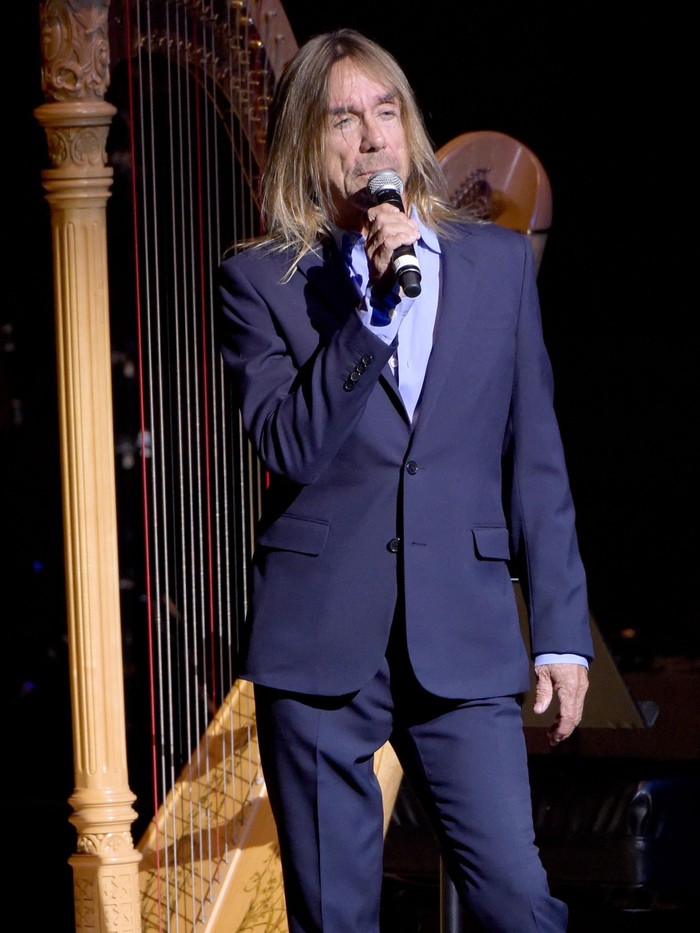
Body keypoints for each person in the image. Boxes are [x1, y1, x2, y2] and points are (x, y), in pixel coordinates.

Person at [217, 28, 594, 933]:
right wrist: (373, 315)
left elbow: (536, 456)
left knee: (516, 899)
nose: (373, 136)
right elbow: (291, 443)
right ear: (309, 142)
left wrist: (563, 634)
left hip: (460, 633)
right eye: (344, 118)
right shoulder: (260, 280)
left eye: (387, 112)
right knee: (336, 917)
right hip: (318, 647)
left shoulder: (496, 266)